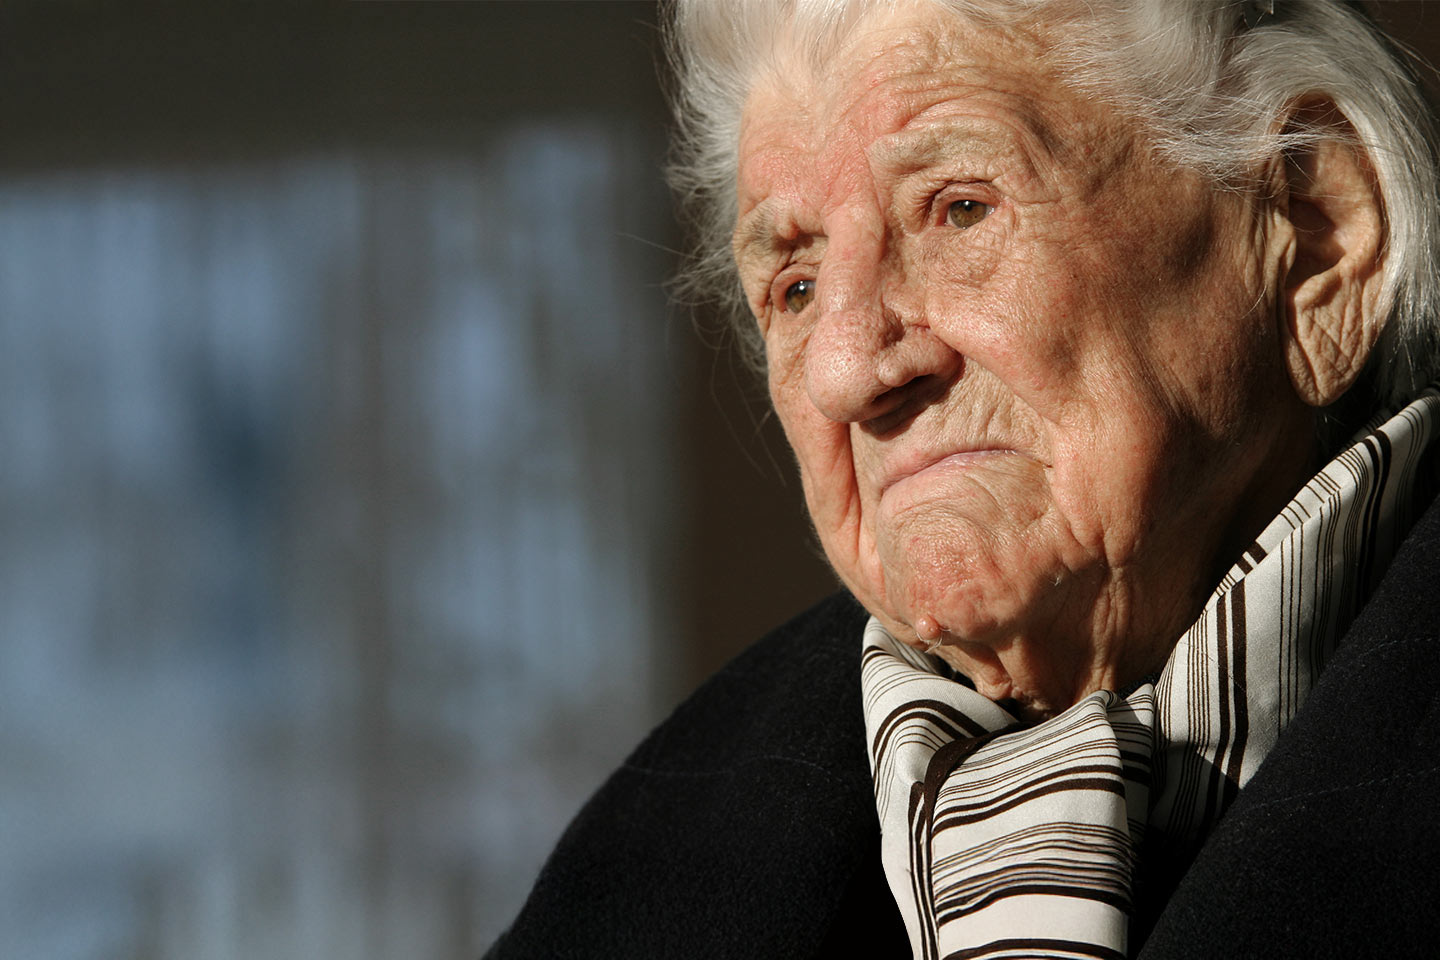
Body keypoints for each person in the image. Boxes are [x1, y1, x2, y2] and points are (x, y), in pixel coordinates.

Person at [488, 1, 1440, 956]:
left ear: (1313, 233)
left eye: (959, 208)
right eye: (798, 285)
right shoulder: (643, 864)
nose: (847, 369)